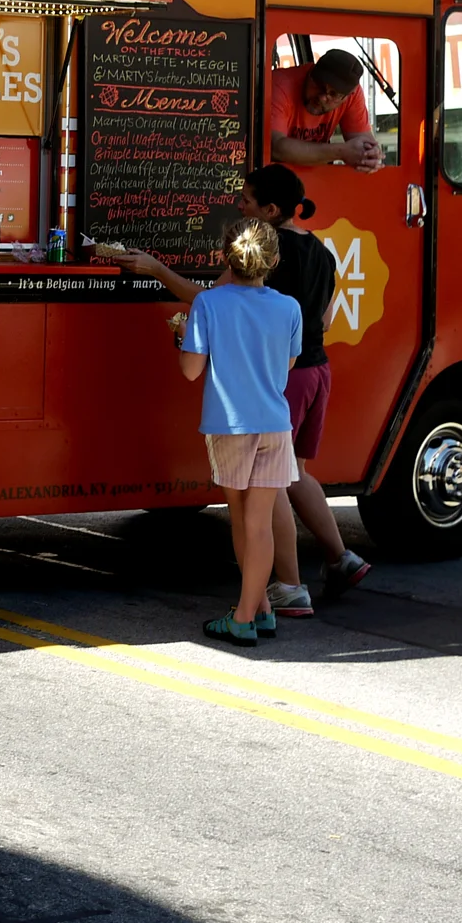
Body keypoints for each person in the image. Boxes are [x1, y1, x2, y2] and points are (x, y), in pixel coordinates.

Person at [120, 166, 371, 616]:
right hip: (316, 371)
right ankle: (339, 557)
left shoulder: (259, 252)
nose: (239, 205)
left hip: (279, 382)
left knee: (269, 492)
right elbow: (326, 318)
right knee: (294, 472)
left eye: (247, 200)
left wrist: (156, 269)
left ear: (270, 211)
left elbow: (204, 298)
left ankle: (289, 585)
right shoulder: (321, 251)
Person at [174, 217, 302, 649]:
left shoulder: (207, 304)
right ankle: (259, 608)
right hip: (275, 424)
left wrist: (182, 337)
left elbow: (191, 371)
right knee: (260, 524)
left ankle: (244, 617)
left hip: (229, 425)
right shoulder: (289, 308)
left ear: (225, 258)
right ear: (274, 261)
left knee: (241, 521)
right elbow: (287, 365)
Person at [270, 49, 383, 172]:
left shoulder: (352, 95)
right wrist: (341, 152)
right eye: (319, 85)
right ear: (310, 73)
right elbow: (275, 148)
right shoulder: (280, 85)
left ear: (347, 97)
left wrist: (371, 156)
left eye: (333, 94)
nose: (322, 97)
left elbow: (365, 147)